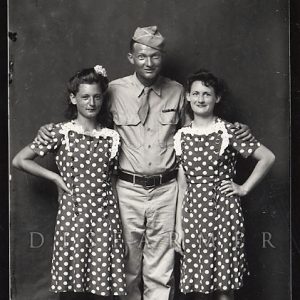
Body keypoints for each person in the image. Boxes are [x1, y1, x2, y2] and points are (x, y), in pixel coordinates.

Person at [34, 26, 252, 300]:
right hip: (126, 191)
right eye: (141, 56)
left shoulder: (177, 92)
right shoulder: (112, 91)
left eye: (155, 56)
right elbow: (87, 119)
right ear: (130, 57)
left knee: (161, 269)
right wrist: (48, 131)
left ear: (162, 57)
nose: (148, 63)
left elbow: (200, 128)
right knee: (127, 266)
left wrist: (237, 130)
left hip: (166, 190)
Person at [12, 66, 127, 298]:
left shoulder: (111, 137)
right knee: (72, 287)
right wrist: (55, 177)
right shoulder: (60, 132)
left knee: (102, 287)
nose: (91, 103)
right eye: (85, 97)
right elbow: (20, 160)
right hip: (73, 218)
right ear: (73, 99)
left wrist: (119, 230)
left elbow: (112, 184)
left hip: (106, 219)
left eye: (96, 97)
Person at [173, 70, 275, 300]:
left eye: (207, 94)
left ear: (217, 98)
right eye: (196, 93)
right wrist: (179, 227)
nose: (201, 99)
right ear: (188, 96)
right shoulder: (181, 136)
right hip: (193, 215)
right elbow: (183, 184)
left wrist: (244, 188)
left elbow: (267, 157)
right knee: (199, 285)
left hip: (223, 212)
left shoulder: (228, 131)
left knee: (224, 285)